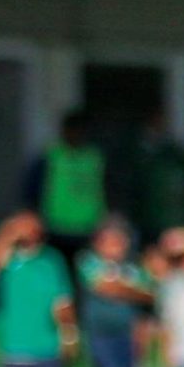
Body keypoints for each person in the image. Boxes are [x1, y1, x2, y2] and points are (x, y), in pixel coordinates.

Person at [0, 212, 76, 367]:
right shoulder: (11, 258)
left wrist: (68, 332)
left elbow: (62, 302)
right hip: (17, 346)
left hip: (48, 344)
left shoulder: (52, 260)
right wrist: (9, 231)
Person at [76, 218, 153, 367]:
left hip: (128, 335)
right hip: (100, 335)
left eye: (119, 240)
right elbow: (105, 287)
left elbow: (150, 294)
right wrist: (129, 290)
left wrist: (123, 289)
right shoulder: (88, 261)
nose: (115, 246)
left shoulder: (132, 267)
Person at [31, 113, 108, 263]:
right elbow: (33, 188)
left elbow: (107, 187)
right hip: (56, 226)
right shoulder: (51, 155)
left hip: (88, 227)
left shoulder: (95, 157)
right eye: (73, 130)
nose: (77, 134)